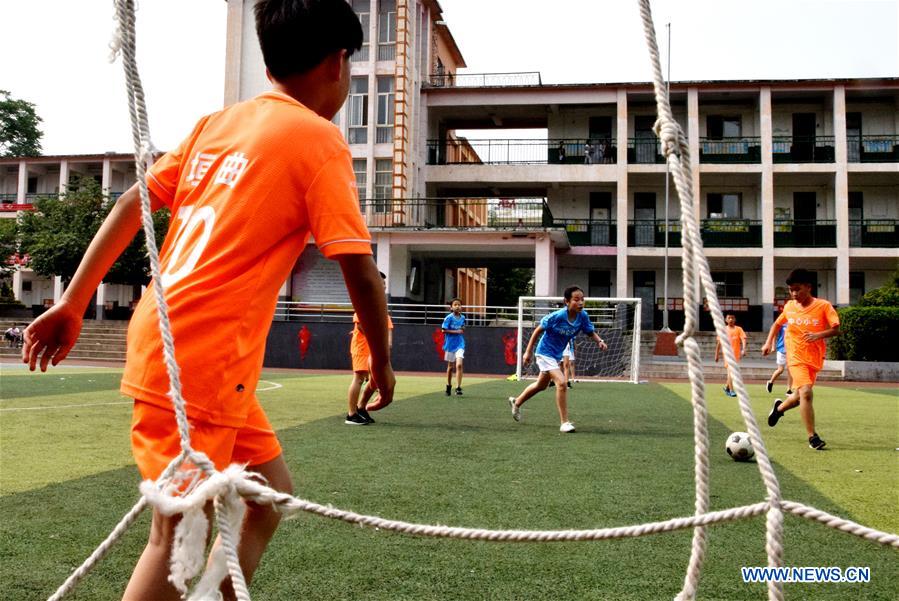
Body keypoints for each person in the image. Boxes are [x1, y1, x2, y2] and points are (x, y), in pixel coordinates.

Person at [21, 2, 395, 599]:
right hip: (203, 355)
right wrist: (380, 358)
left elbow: (131, 205)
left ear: (269, 63)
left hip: (187, 346)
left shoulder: (216, 124)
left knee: (266, 498)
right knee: (174, 537)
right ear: (338, 62)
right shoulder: (319, 139)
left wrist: (72, 303)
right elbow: (359, 267)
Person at [508, 286, 608, 433]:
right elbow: (538, 330)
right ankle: (564, 422)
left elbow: (589, 331)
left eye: (582, 299)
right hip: (544, 353)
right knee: (561, 383)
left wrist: (599, 341)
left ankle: (516, 402)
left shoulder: (583, 316)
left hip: (556, 355)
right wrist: (528, 352)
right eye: (576, 299)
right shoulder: (557, 316)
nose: (580, 302)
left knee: (541, 385)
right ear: (566, 301)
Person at [762, 268, 840, 450]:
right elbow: (776, 324)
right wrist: (768, 343)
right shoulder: (789, 306)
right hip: (795, 356)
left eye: (797, 289)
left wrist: (818, 335)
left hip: (814, 358)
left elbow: (836, 329)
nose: (794, 294)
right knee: (806, 393)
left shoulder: (823, 306)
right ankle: (813, 437)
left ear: (808, 287)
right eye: (791, 290)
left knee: (798, 397)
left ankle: (779, 409)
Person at [346, 271, 393, 425]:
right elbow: (360, 325)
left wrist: (385, 345)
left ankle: (361, 408)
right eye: (381, 283)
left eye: (384, 284)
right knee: (359, 378)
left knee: (374, 380)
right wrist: (377, 340)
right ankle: (351, 414)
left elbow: (387, 328)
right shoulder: (365, 301)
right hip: (362, 347)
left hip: (374, 349)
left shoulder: (380, 305)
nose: (384, 286)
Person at [714, 313, 747, 397]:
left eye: (732, 318)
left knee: (732, 372)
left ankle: (727, 387)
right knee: (730, 372)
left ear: (735, 319)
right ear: (726, 320)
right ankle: (731, 390)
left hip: (736, 355)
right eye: (729, 318)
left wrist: (743, 349)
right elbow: (719, 343)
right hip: (727, 354)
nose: (731, 319)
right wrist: (716, 354)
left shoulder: (739, 329)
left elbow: (743, 339)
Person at [442, 298, 466, 396]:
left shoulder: (463, 317)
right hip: (450, 345)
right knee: (450, 367)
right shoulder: (448, 318)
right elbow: (443, 330)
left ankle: (458, 387)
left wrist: (462, 329)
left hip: (460, 344)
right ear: (451, 308)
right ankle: (448, 385)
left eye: (459, 305)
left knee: (459, 365)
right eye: (455, 305)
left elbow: (463, 328)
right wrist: (456, 331)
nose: (457, 306)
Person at [765, 323, 793, 395]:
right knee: (780, 370)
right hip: (781, 349)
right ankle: (770, 382)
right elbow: (774, 334)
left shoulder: (795, 322)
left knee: (790, 370)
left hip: (792, 350)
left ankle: (789, 390)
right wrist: (773, 346)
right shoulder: (782, 323)